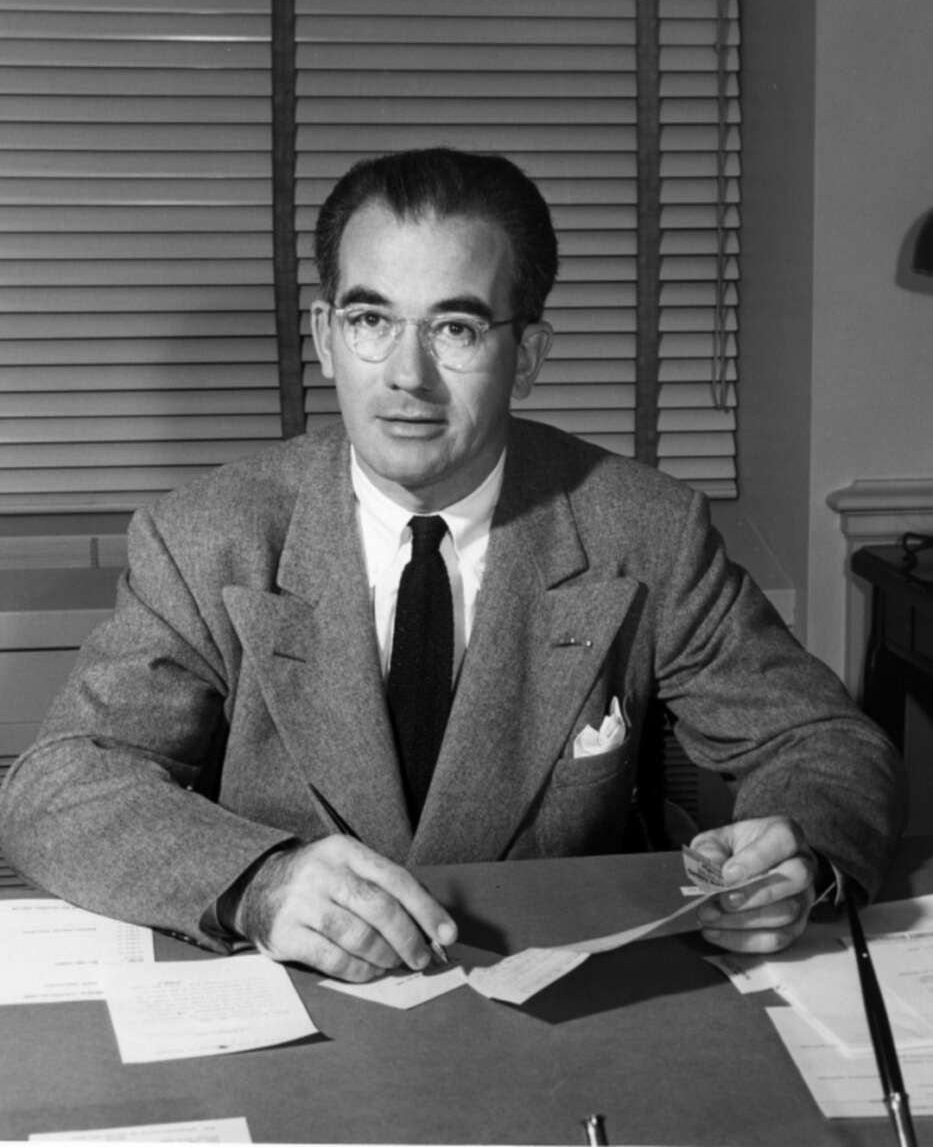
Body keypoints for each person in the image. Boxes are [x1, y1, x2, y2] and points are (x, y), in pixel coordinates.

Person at [0, 148, 906, 983]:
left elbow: (820, 743)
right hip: (293, 1006)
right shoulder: (207, 533)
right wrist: (258, 886)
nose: (406, 377)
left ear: (528, 353)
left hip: (571, 1001)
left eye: (456, 330)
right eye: (370, 319)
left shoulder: (645, 530)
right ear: (324, 335)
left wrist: (801, 854)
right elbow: (60, 783)